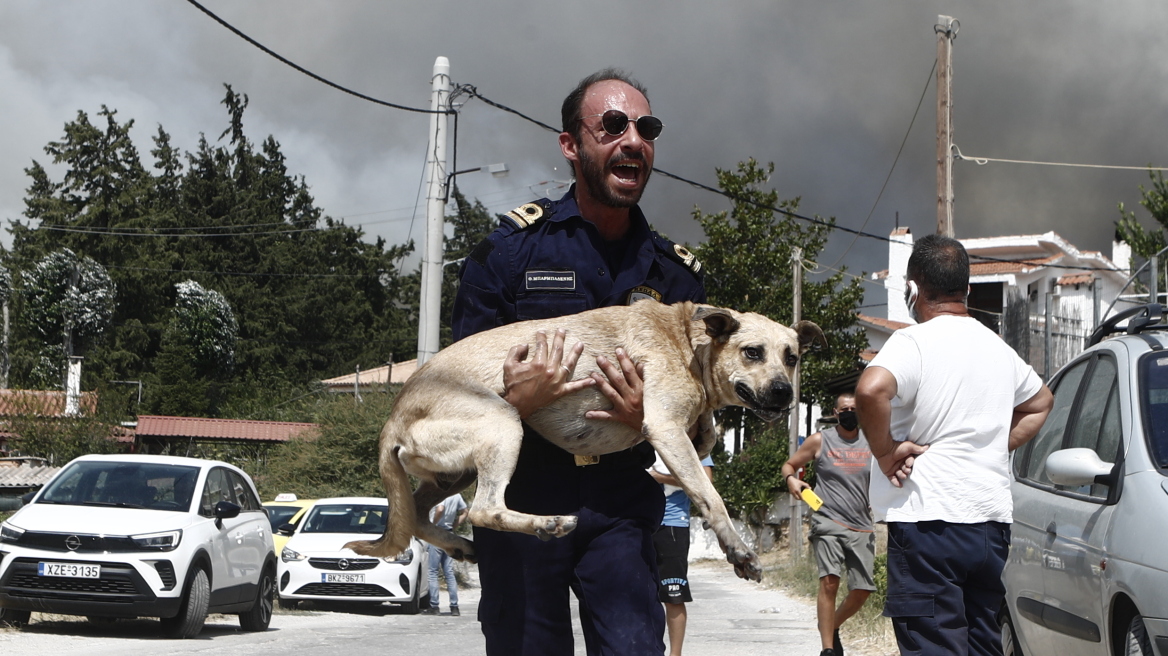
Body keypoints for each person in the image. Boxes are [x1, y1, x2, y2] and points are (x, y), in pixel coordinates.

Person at [451, 68, 706, 655]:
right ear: (571, 144)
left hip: (620, 507)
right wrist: (519, 400)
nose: (634, 140)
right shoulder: (508, 255)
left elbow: (699, 416)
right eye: (613, 125)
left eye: (647, 128)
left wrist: (655, 413)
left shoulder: (677, 277)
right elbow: (461, 393)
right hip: (524, 500)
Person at [855, 234, 1053, 656]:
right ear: (966, 288)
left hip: (930, 524)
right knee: (984, 644)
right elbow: (1040, 403)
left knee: (933, 645)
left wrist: (886, 451)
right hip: (990, 526)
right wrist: (995, 447)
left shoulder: (913, 343)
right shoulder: (997, 348)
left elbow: (870, 391)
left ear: (914, 288)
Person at [781, 393, 875, 656]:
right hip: (827, 519)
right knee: (830, 581)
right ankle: (828, 649)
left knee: (862, 589)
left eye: (854, 409)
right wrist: (792, 480)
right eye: (845, 409)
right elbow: (789, 465)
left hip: (862, 523)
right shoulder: (821, 440)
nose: (849, 412)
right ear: (835, 412)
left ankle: (831, 626)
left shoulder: (872, 440)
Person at [648, 453, 714, 656]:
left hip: (672, 524)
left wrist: (660, 477)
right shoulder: (640, 437)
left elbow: (705, 482)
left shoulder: (694, 442)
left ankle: (675, 654)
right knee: (641, 594)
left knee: (673, 594)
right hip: (638, 523)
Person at [422, 492, 469, 616]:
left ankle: (434, 606)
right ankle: (454, 606)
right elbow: (465, 512)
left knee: (433, 571)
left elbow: (440, 508)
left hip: (437, 534)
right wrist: (455, 525)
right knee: (449, 572)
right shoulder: (457, 494)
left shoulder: (441, 492)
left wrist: (432, 525)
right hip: (449, 534)